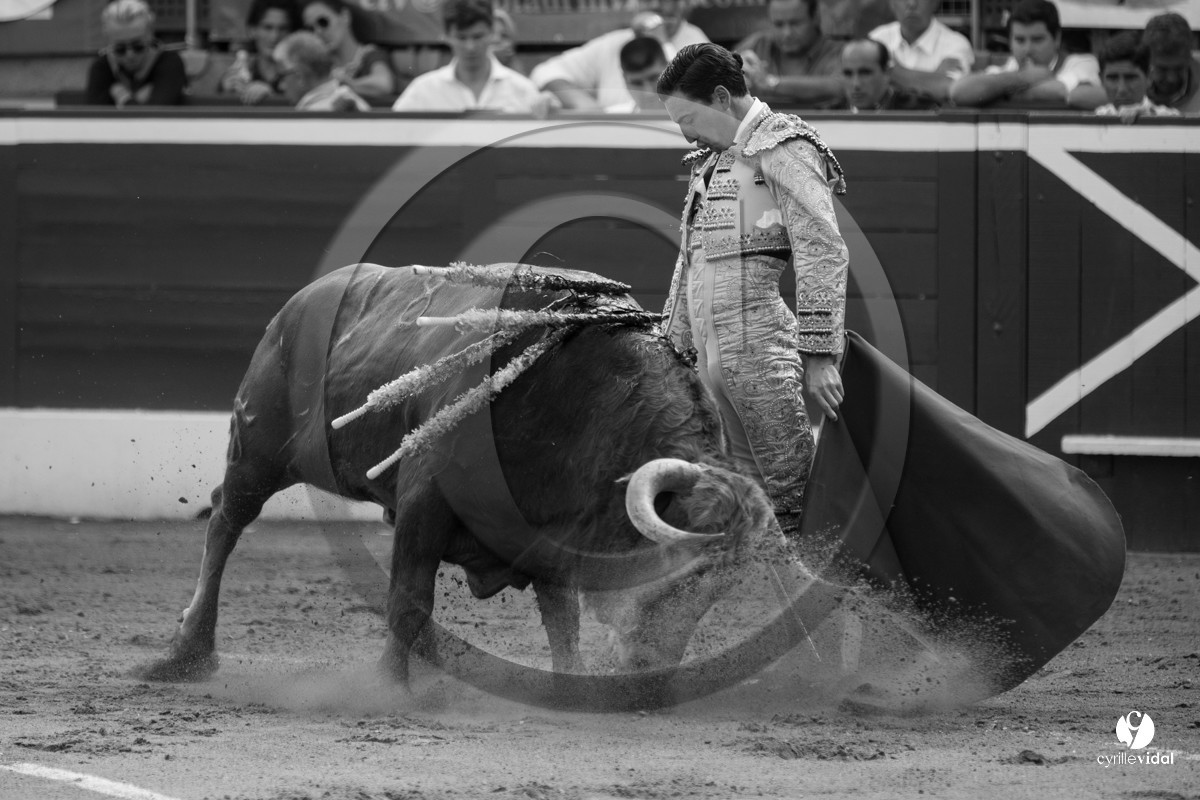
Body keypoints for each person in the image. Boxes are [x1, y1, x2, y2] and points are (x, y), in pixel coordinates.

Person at [656, 42, 849, 531]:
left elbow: (821, 248)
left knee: (791, 495)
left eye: (688, 119)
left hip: (760, 354)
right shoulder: (712, 161)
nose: (686, 133)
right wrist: (672, 355)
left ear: (722, 98)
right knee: (733, 501)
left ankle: (819, 581)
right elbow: (690, 262)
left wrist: (819, 354)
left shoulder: (785, 146)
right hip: (709, 357)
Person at [530, 0, 708, 111]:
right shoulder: (615, 42)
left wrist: (661, 42)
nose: (655, 5)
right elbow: (545, 72)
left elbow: (696, 100)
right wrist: (587, 107)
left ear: (683, 4)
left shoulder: (697, 43)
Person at [391, 0, 554, 114]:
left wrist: (551, 111)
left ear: (492, 32)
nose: (470, 46)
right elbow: (391, 133)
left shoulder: (522, 90)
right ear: (446, 36)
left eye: (478, 37)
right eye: (461, 38)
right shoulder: (423, 91)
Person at [948, 0, 1104, 110]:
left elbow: (1076, 94)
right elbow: (958, 92)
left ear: (1057, 38)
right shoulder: (1007, 70)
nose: (1028, 49)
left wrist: (997, 91)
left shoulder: (1081, 63)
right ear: (1010, 41)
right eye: (1020, 40)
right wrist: (1023, 77)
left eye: (1037, 39)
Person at [734, 0, 844, 108]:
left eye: (795, 23)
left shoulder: (839, 52)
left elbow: (840, 87)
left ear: (815, 17)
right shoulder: (757, 45)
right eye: (778, 24)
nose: (787, 33)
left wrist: (770, 83)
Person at [867, 0, 974, 103]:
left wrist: (892, 71)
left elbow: (949, 89)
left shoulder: (956, 44)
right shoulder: (877, 38)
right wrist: (932, 81)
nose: (911, 4)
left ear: (935, 2)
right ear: (892, 3)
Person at [85, 0, 188, 106]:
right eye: (120, 49)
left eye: (138, 46)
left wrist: (124, 98)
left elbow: (157, 113)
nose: (130, 55)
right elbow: (95, 114)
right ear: (108, 41)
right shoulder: (101, 67)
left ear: (150, 35)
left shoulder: (170, 63)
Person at [300, 0, 396, 103]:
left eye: (323, 22)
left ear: (345, 16)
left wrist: (349, 85)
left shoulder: (371, 55)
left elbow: (384, 83)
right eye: (310, 28)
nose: (318, 32)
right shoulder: (318, 65)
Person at [219, 0, 301, 105]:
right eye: (267, 28)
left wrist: (273, 98)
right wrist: (225, 95)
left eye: (283, 29)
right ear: (252, 30)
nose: (274, 37)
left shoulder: (301, 77)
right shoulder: (239, 73)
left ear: (293, 34)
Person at [1094, 31, 1179, 122]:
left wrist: (1146, 117)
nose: (1122, 89)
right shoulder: (1096, 118)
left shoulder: (1171, 118)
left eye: (1131, 78)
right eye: (1113, 78)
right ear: (1101, 79)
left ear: (1149, 76)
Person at [274, 30, 370, 110]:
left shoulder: (316, 112)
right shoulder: (354, 102)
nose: (281, 86)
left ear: (299, 75)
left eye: (282, 77)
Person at [840, 38, 939, 110]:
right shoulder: (832, 112)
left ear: (887, 72)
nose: (856, 84)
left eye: (865, 73)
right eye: (848, 74)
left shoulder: (920, 111)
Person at [1143, 13, 1200, 113]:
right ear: (1145, 58)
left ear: (1190, 56)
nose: (1171, 78)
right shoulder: (1123, 72)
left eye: (1179, 68)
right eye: (1162, 69)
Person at [607, 36, 669, 112]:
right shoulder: (612, 117)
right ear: (625, 80)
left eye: (654, 78)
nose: (649, 93)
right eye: (637, 83)